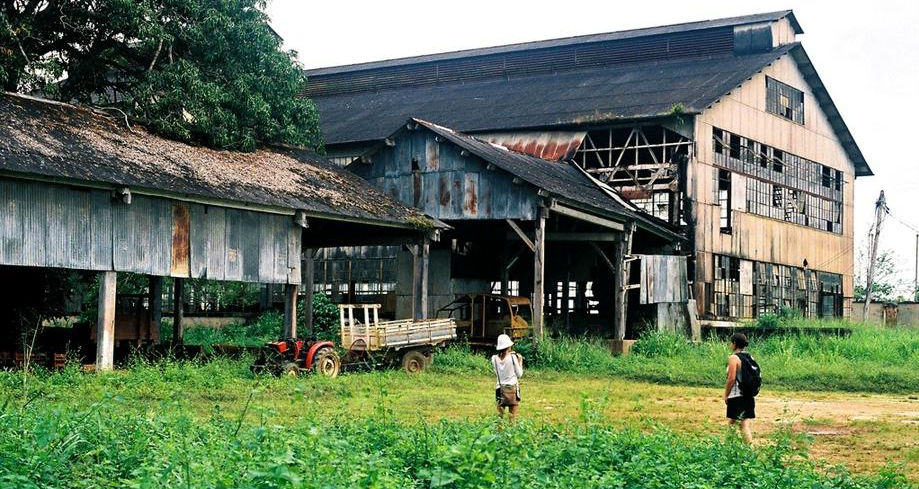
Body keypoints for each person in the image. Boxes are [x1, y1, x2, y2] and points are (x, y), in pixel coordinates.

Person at [724, 332, 755, 443]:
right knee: (732, 423)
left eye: (731, 342)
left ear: (734, 343)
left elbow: (731, 379)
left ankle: (749, 450)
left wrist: (726, 395)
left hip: (737, 395)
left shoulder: (734, 358)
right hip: (748, 395)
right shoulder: (749, 357)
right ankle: (727, 447)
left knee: (743, 425)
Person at [491, 334, 523, 422]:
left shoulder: (493, 358)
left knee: (500, 417)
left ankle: (499, 434)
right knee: (512, 418)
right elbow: (519, 374)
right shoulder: (513, 357)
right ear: (509, 346)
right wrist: (520, 362)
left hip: (500, 389)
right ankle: (510, 434)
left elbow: (497, 373)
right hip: (512, 389)